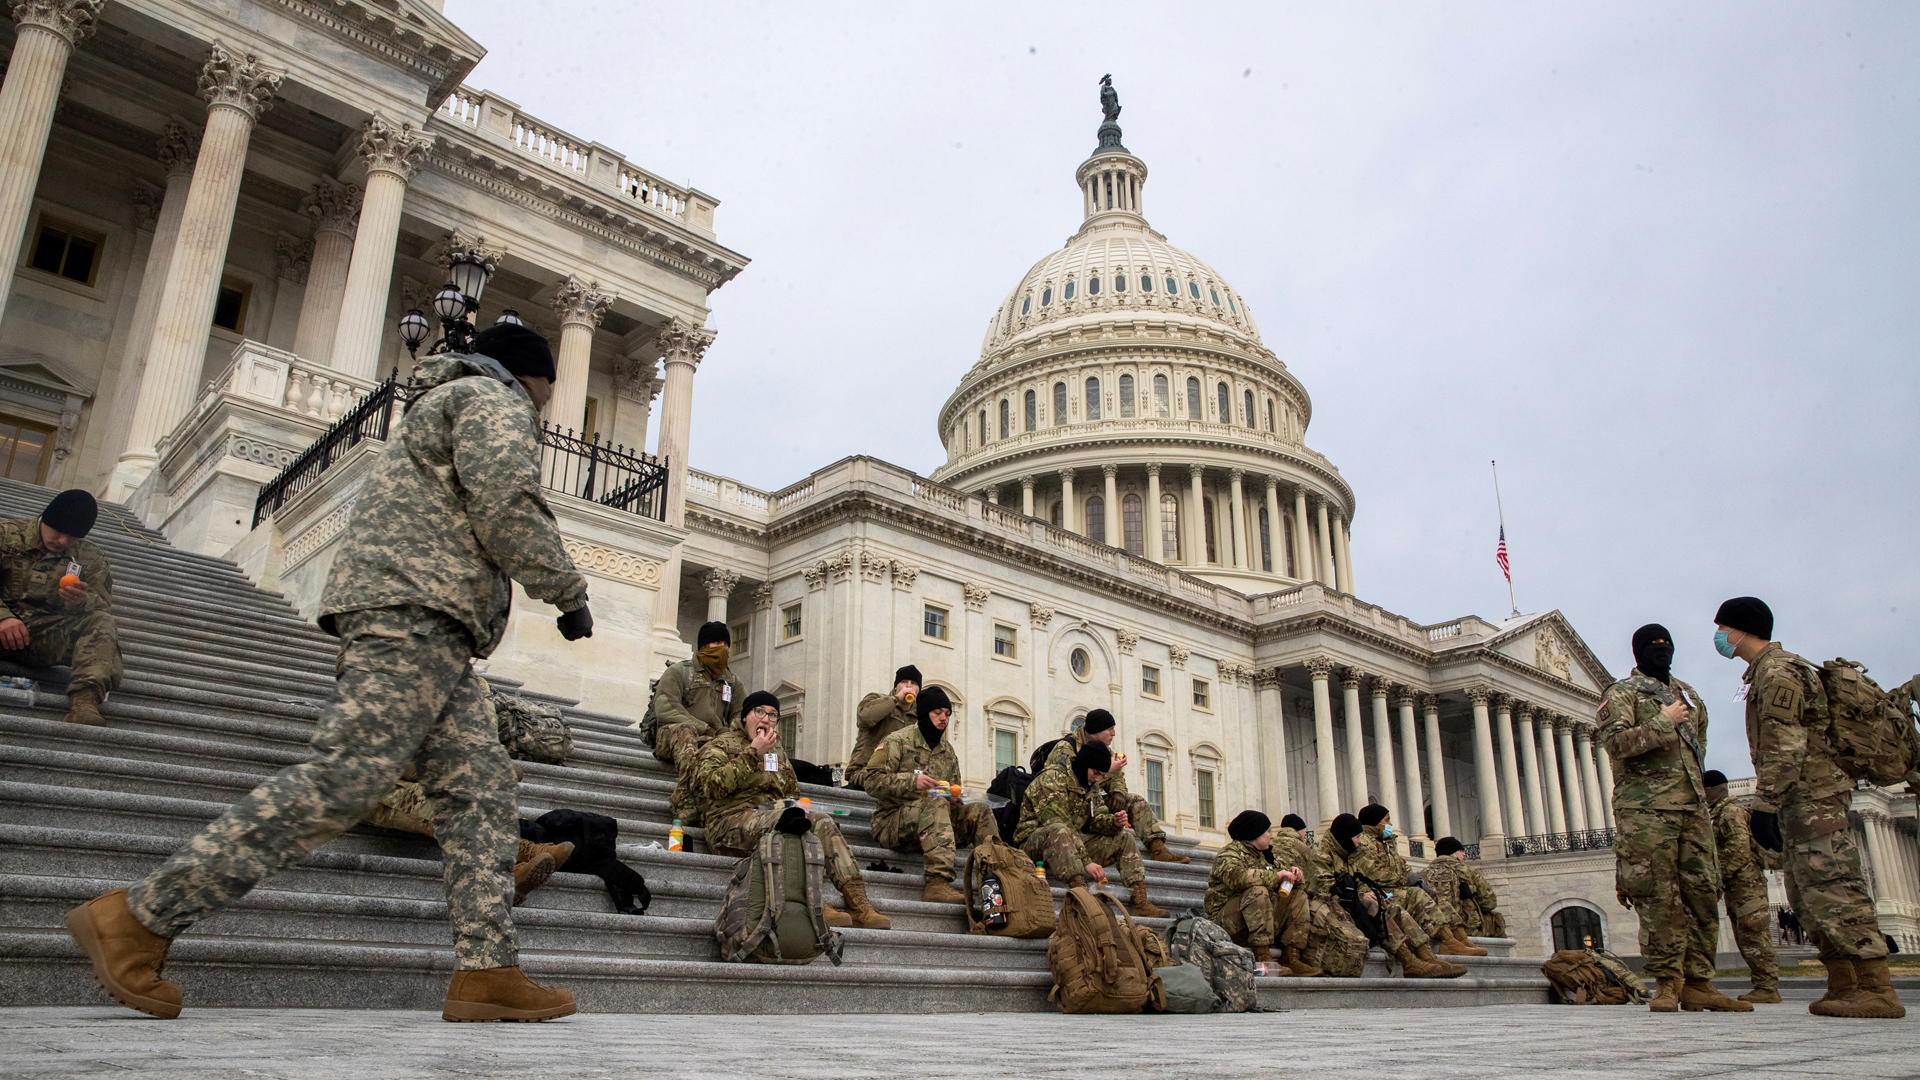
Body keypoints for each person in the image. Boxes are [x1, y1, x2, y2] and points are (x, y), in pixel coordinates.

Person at [65, 323, 593, 1022]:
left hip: (431, 622)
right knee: (346, 779)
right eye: (545, 395)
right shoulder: (493, 399)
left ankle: (487, 969)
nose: (543, 408)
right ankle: (139, 916)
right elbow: (506, 503)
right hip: (414, 610)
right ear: (532, 378)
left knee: (480, 793)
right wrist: (567, 592)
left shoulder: (446, 402)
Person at [1716, 596, 1903, 1018]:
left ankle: (1877, 989)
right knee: (1808, 895)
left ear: (1742, 629)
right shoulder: (1764, 672)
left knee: (1836, 890)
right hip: (1800, 801)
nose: (1720, 637)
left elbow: (1784, 744)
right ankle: (1844, 984)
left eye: (1723, 629)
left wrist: (1765, 803)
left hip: (1813, 799)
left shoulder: (1779, 672)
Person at [1598, 623, 1749, 1013]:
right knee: (1658, 900)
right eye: (1653, 644)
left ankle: (1700, 983)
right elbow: (1615, 744)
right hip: (1646, 811)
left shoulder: (1689, 695)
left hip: (1692, 808)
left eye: (1666, 643)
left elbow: (1699, 747)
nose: (1661, 649)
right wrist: (1664, 721)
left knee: (1703, 894)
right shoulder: (1622, 693)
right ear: (1638, 651)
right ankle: (1667, 983)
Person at [692, 690, 890, 929]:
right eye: (759, 712)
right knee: (789, 822)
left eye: (772, 715)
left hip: (771, 816)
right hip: (728, 822)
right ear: (745, 716)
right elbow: (711, 786)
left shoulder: (777, 751)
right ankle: (811, 901)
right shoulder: (720, 745)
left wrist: (798, 805)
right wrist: (753, 753)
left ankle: (858, 903)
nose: (766, 719)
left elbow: (790, 791)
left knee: (821, 821)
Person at [864, 685, 996, 903]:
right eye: (938, 713)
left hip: (934, 826)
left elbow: (953, 790)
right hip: (892, 823)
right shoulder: (897, 741)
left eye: (948, 713)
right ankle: (937, 883)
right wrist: (911, 782)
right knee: (936, 803)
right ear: (925, 713)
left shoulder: (948, 751)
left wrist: (955, 800)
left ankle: (995, 880)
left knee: (980, 811)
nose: (944, 718)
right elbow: (871, 780)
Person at [0, 489, 120, 725]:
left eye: (72, 537)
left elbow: (103, 606)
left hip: (42, 637)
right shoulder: (6, 535)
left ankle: (84, 703)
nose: (63, 541)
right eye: (58, 531)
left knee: (102, 622)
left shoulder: (91, 557)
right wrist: (2, 616)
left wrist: (82, 601)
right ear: (45, 519)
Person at [1014, 740, 1166, 917]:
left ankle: (1139, 900)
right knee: (1059, 829)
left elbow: (1095, 819)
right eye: (1096, 773)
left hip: (1070, 845)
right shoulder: (1051, 779)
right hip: (1034, 845)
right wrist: (1086, 862)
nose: (1098, 779)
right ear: (1084, 764)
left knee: (1125, 838)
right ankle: (1082, 895)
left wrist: (1113, 822)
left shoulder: (1091, 786)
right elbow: (1060, 823)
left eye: (1102, 775)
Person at [1306, 813, 1464, 979]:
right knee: (1376, 908)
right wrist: (1361, 897)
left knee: (1392, 908)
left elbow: (1359, 881)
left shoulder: (1347, 853)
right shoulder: (1321, 853)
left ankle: (1427, 956)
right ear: (1346, 836)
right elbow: (1323, 888)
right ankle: (1408, 960)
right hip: (1330, 907)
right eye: (1357, 837)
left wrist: (1372, 894)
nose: (1359, 841)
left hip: (1351, 904)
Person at [1041, 709, 1189, 864]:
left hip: (1095, 802)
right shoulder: (1065, 747)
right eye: (1110, 729)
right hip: (1069, 806)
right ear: (1097, 730)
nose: (1114, 734)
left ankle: (1157, 848)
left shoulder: (1105, 750)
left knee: (1135, 800)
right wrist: (1108, 770)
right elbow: (1065, 781)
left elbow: (1118, 778)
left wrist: (1118, 794)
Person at [651, 620, 743, 826]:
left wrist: (728, 734)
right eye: (717, 643)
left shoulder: (732, 682)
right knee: (686, 730)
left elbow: (740, 714)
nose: (723, 648)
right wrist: (704, 728)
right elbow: (666, 707)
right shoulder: (679, 672)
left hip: (712, 741)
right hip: (674, 736)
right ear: (703, 645)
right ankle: (685, 796)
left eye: (726, 644)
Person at [1702, 769, 1781, 1004]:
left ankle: (1767, 987)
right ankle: (1763, 985)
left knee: (1754, 935)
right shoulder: (1720, 813)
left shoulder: (1730, 813)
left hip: (1746, 884)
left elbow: (1738, 850)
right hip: (1737, 885)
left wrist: (1718, 877)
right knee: (1745, 936)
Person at [1205, 810, 1315, 974]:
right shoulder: (1228, 854)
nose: (1272, 836)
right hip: (1226, 924)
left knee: (1298, 896)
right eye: (1268, 831)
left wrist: (1294, 876)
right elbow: (1238, 878)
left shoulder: (1262, 857)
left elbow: (1279, 878)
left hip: (1253, 920)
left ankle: (1291, 956)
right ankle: (1262, 956)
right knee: (1257, 890)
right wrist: (1276, 876)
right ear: (1255, 834)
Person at [1275, 813, 1363, 977]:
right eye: (1357, 837)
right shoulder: (1308, 849)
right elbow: (1319, 886)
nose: (1360, 842)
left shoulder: (1271, 846)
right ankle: (1289, 956)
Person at [1349, 803, 1447, 946]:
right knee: (1416, 895)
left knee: (1429, 892)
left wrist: (1416, 880)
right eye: (1386, 820)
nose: (1390, 824)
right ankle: (1443, 940)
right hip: (1381, 892)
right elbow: (1375, 874)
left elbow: (1403, 866)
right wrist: (1406, 880)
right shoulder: (1364, 842)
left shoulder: (1385, 843)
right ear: (1375, 822)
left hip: (1391, 888)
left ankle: (1451, 936)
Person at [849, 665, 919, 791]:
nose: (909, 686)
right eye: (904, 682)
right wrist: (896, 699)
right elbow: (864, 718)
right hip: (865, 771)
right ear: (896, 686)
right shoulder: (877, 699)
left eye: (913, 683)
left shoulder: (920, 716)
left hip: (900, 778)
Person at [1419, 837, 1488, 957]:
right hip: (1466, 923)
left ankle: (1460, 939)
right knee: (1496, 919)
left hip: (1431, 922)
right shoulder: (1465, 870)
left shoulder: (1424, 872)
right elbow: (1488, 902)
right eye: (1461, 850)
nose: (1464, 854)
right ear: (1453, 853)